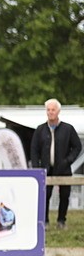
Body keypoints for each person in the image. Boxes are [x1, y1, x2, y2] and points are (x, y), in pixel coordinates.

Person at [30, 98, 82, 230]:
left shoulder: (68, 129)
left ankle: (61, 221)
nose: (50, 112)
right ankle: (45, 222)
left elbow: (77, 146)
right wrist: (37, 167)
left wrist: (68, 160)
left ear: (58, 111)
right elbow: (34, 150)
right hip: (46, 169)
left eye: (53, 110)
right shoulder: (40, 129)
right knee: (45, 195)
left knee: (64, 195)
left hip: (63, 168)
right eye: (48, 110)